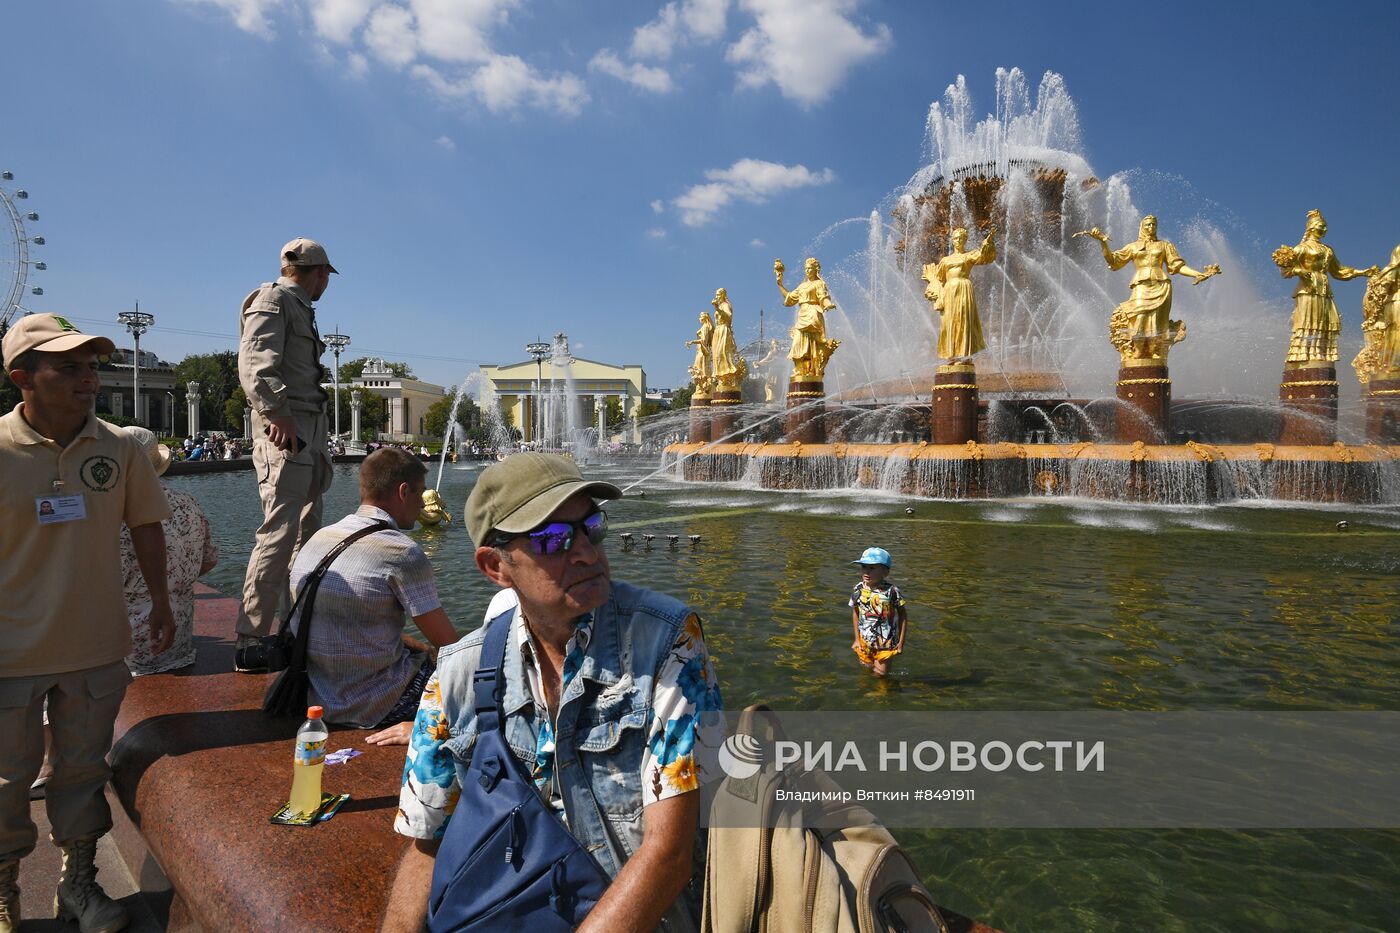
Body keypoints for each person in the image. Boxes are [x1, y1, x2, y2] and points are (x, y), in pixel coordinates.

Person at [384, 453, 723, 932]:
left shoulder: (668, 643)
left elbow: (668, 854)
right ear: (495, 567)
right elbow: (427, 840)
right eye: (552, 539)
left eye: (591, 527)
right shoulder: (456, 673)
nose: (585, 551)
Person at [1, 313, 175, 933]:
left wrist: (160, 600)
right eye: (68, 367)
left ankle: (77, 884)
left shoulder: (120, 447)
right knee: (5, 780)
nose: (88, 379)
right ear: (23, 377)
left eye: (92, 366)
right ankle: (5, 892)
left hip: (95, 645)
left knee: (82, 772)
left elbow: (146, 525)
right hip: (8, 651)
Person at [285, 448, 459, 740]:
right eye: (421, 494)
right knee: (480, 678)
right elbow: (451, 645)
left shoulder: (320, 538)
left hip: (314, 695)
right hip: (376, 703)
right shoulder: (401, 551)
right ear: (404, 492)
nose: (422, 504)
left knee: (420, 649)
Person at [235, 237, 337, 672]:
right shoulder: (273, 300)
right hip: (288, 430)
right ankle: (250, 637)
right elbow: (255, 363)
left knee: (306, 532)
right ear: (317, 273)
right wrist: (279, 412)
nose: (325, 285)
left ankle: (292, 624)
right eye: (325, 277)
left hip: (308, 428)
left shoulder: (299, 307)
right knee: (278, 531)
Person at [118, 426, 219, 676]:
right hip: (179, 641)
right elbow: (207, 561)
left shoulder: (113, 512)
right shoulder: (187, 503)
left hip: (127, 653)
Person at [1083, 215, 1220, 364]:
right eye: (1148, 225)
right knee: (1139, 314)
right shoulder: (1133, 246)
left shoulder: (1165, 245)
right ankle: (1139, 349)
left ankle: (1155, 350)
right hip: (1141, 284)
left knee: (1158, 321)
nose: (1151, 227)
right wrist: (1103, 243)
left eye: (1154, 225)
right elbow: (1113, 261)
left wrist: (1197, 273)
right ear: (1142, 227)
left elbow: (1178, 267)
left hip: (1162, 284)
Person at [1272, 210, 1376, 364]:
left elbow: (1339, 271)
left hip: (1324, 290)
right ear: (1311, 228)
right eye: (1321, 226)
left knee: (1325, 320)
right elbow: (1285, 270)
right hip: (1307, 290)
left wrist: (1362, 272)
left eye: (1326, 227)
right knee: (1307, 321)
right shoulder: (1302, 248)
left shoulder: (1328, 250)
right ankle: (1302, 354)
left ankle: (1319, 352)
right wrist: (1299, 271)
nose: (1325, 230)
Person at [923, 226, 997, 363]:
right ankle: (951, 355)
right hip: (949, 291)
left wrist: (988, 242)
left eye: (961, 238)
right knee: (949, 321)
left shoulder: (968, 256)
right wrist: (935, 291)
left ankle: (964, 355)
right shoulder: (945, 260)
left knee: (964, 320)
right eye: (956, 238)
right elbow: (938, 279)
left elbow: (983, 256)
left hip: (964, 288)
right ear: (952, 241)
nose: (958, 241)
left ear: (965, 240)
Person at [774, 256, 841, 380]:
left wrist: (828, 305)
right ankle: (801, 370)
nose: (807, 271)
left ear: (816, 270)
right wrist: (780, 284)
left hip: (814, 313)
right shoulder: (802, 286)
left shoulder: (820, 283)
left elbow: (823, 297)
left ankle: (812, 370)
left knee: (813, 343)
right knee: (798, 342)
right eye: (806, 269)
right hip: (803, 314)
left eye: (810, 268)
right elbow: (789, 298)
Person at [848, 546, 907, 678]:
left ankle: (882, 696)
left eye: (872, 568)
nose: (866, 571)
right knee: (866, 673)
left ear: (885, 572)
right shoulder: (858, 589)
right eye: (864, 566)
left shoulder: (892, 591)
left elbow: (903, 615)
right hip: (864, 641)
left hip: (885, 643)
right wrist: (857, 639)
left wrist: (901, 643)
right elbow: (855, 612)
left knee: (880, 676)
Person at [709, 288, 746, 391]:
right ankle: (722, 378)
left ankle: (727, 376)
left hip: (724, 330)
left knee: (723, 353)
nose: (716, 297)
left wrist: (717, 309)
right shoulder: (720, 305)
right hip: (718, 331)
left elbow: (729, 317)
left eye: (718, 295)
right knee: (716, 355)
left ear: (722, 295)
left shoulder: (725, 305)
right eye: (715, 295)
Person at [685, 311, 714, 393]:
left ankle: (704, 387)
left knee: (701, 369)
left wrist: (692, 342)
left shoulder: (705, 327)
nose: (699, 318)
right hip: (701, 351)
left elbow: (703, 340)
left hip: (703, 352)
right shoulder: (705, 327)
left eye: (700, 317)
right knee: (699, 369)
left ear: (704, 318)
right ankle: (702, 387)